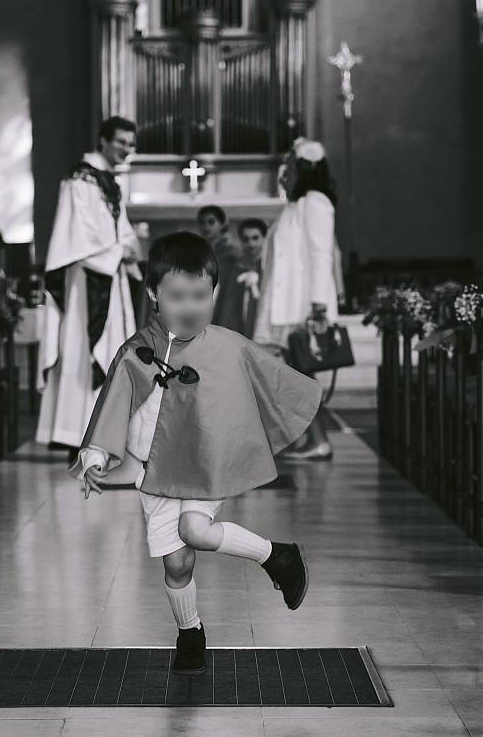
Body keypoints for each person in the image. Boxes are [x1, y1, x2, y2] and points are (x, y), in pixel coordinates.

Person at [72, 232, 319, 676]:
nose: (190, 307)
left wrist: (287, 416)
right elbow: (111, 405)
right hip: (154, 470)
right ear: (153, 293)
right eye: (177, 296)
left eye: (200, 295)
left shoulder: (226, 346)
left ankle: (276, 556)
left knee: (195, 529)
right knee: (178, 561)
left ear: (215, 292)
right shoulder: (136, 353)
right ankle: (190, 632)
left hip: (204, 464)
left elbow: (269, 382)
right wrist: (94, 457)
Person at [35, 116, 142, 451]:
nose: (127, 149)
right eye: (122, 142)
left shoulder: (109, 182)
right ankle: (78, 432)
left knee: (113, 347)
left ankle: (104, 431)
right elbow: (81, 235)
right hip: (88, 279)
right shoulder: (80, 180)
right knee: (85, 347)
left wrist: (128, 246)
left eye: (130, 143)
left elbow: (121, 230)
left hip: (111, 274)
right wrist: (121, 249)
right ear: (104, 140)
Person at [252, 138, 343, 458]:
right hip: (286, 304)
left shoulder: (316, 202)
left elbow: (321, 255)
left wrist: (318, 305)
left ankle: (318, 440)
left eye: (290, 165)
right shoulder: (295, 205)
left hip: (302, 305)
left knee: (301, 375)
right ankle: (312, 438)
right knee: (296, 375)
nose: (284, 172)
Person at [196, 204, 246, 333]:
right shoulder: (198, 250)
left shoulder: (231, 251)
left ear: (222, 224)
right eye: (203, 222)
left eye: (211, 222)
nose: (206, 227)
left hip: (225, 299)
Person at [236, 218, 268, 336]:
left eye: (255, 238)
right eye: (246, 239)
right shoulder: (236, 269)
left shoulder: (271, 269)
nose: (251, 244)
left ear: (264, 238)